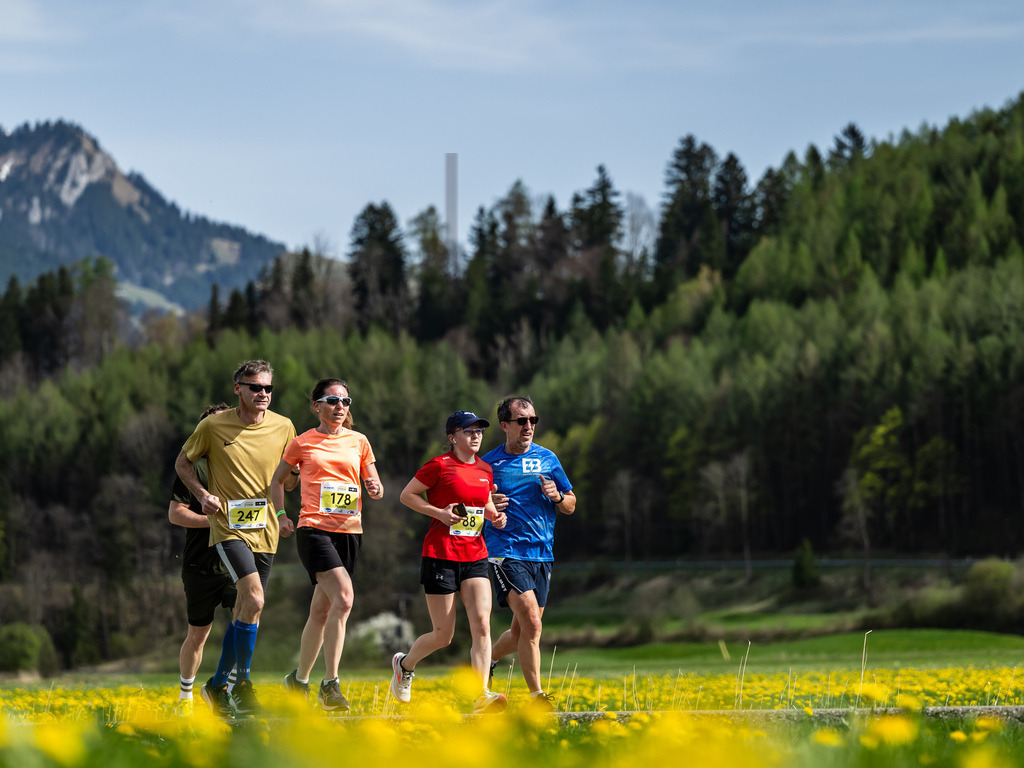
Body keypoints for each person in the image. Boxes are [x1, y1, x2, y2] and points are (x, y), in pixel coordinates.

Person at [174, 359, 296, 718]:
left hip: (266, 530)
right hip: (228, 529)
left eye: (268, 388)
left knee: (248, 609)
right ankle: (242, 684)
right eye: (255, 387)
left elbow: (287, 480)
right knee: (254, 599)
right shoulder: (213, 426)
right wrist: (202, 495)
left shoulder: (284, 427)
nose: (262, 394)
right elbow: (182, 463)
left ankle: (216, 686)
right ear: (237, 389)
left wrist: (290, 487)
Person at [271, 378, 384, 711]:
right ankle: (330, 685)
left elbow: (371, 479)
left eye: (345, 402)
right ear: (316, 405)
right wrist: (280, 516)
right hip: (314, 529)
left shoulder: (360, 441)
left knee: (321, 610)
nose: (340, 407)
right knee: (345, 598)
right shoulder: (302, 443)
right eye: (332, 400)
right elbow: (277, 481)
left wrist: (375, 487)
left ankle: (299, 680)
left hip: (350, 532)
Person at [390, 410, 508, 714]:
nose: (476, 435)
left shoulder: (485, 469)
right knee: (443, 635)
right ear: (452, 437)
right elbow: (407, 495)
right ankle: (405, 665)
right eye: (468, 430)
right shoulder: (438, 466)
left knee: (482, 623)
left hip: (476, 554)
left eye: (479, 430)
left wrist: (496, 515)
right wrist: (439, 513)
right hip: (440, 554)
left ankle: (482, 693)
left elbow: (486, 505)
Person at [482, 395, 576, 711]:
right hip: (505, 551)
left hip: (542, 554)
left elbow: (571, 504)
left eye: (533, 420)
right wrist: (488, 509)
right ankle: (537, 696)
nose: (529, 426)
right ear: (505, 425)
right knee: (533, 625)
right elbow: (471, 503)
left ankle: (488, 660)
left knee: (521, 630)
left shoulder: (548, 459)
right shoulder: (488, 464)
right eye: (522, 421)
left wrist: (558, 496)